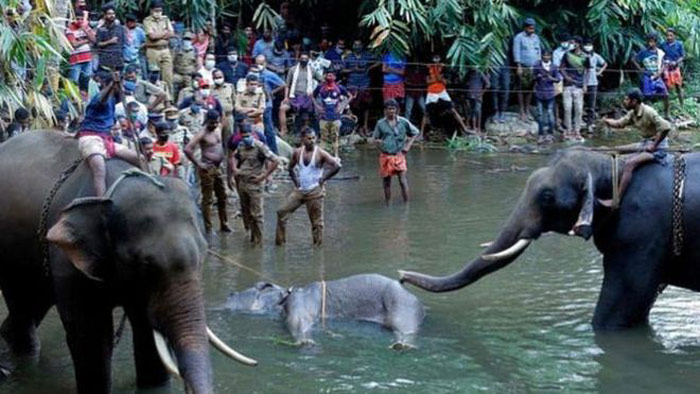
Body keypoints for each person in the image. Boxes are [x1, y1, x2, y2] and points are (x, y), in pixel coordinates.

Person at [599, 88, 673, 208]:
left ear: (634, 101)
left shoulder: (649, 112)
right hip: (645, 143)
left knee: (630, 164)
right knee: (616, 149)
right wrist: (607, 121)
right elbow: (620, 124)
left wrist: (654, 146)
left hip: (658, 148)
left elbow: (666, 127)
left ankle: (617, 200)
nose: (624, 101)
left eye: (627, 99)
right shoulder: (633, 113)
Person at [275, 126, 341, 246]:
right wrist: (296, 182)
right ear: (303, 139)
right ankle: (280, 244)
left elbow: (336, 166)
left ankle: (317, 249)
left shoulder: (320, 153)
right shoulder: (297, 152)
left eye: (314, 138)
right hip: (300, 190)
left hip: (314, 191)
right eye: (309, 138)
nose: (312, 141)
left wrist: (323, 178)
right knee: (281, 212)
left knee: (316, 223)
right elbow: (290, 168)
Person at [78, 70, 140, 196]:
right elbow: (102, 99)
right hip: (91, 138)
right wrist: (112, 85)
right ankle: (101, 201)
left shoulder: (112, 100)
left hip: (107, 140)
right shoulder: (99, 97)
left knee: (140, 158)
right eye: (121, 86)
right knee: (99, 168)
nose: (122, 88)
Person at [227, 124, 278, 245]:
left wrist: (264, 176)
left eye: (248, 136)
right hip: (242, 182)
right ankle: (249, 235)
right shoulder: (241, 145)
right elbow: (233, 157)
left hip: (255, 184)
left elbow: (275, 160)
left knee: (257, 215)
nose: (246, 139)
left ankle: (258, 241)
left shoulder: (260, 146)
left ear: (252, 134)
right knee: (245, 211)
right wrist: (234, 169)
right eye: (244, 136)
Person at [184, 109, 232, 233]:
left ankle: (224, 223)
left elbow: (225, 121)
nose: (214, 125)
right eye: (211, 123)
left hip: (218, 167)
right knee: (208, 199)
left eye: (216, 122)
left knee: (222, 196)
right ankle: (208, 227)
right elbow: (188, 149)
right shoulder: (202, 133)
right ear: (207, 121)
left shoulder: (219, 127)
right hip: (207, 168)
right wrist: (199, 163)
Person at [372, 99, 419, 204]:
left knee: (402, 181)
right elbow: (374, 139)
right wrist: (379, 145)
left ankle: (407, 204)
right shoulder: (380, 123)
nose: (391, 111)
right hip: (385, 155)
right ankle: (388, 203)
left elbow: (416, 132)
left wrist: (408, 146)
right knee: (386, 182)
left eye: (393, 109)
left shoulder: (403, 121)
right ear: (385, 110)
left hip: (399, 154)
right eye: (389, 109)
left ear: (397, 110)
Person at [253, 55, 286, 154]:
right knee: (256, 129)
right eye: (257, 63)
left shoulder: (269, 74)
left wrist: (272, 92)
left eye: (261, 63)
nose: (259, 66)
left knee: (268, 129)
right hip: (254, 106)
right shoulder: (252, 74)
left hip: (266, 105)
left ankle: (274, 152)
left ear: (265, 63)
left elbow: (283, 84)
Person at [343, 40, 377, 135]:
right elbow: (342, 70)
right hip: (352, 84)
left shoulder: (367, 55)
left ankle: (365, 126)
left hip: (364, 83)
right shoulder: (349, 57)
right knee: (352, 106)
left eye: (359, 44)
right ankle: (354, 126)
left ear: (362, 46)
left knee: (366, 106)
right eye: (355, 44)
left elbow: (379, 60)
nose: (357, 46)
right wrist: (352, 70)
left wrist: (370, 68)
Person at [632, 33, 670, 118]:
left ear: (656, 42)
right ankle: (643, 115)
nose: (650, 44)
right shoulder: (644, 52)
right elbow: (634, 60)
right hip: (647, 76)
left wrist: (659, 73)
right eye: (649, 42)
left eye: (652, 42)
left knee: (666, 95)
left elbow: (664, 64)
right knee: (647, 96)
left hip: (657, 76)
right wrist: (640, 69)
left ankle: (667, 115)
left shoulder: (660, 53)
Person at [313, 70, 350, 157]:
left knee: (335, 137)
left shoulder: (339, 87)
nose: (329, 77)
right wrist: (317, 107)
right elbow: (312, 96)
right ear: (325, 77)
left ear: (335, 77)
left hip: (335, 117)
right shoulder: (320, 87)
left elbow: (350, 96)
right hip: (323, 116)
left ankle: (336, 156)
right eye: (328, 75)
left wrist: (342, 106)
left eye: (331, 75)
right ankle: (323, 156)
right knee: (323, 138)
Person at [280, 51, 316, 135]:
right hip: (293, 97)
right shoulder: (292, 70)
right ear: (299, 59)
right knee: (282, 108)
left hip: (306, 97)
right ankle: (283, 130)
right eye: (302, 58)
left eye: (306, 59)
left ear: (308, 60)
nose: (304, 60)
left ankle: (306, 133)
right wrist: (286, 97)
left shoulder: (312, 70)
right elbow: (287, 85)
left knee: (308, 113)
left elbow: (321, 80)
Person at [512, 17, 542, 121]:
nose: (532, 30)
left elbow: (538, 51)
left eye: (533, 28)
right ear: (525, 27)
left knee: (530, 89)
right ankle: (521, 111)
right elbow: (516, 51)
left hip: (533, 66)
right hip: (523, 66)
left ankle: (527, 109)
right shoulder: (519, 37)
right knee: (520, 88)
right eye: (530, 28)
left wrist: (539, 65)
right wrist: (518, 66)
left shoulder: (536, 37)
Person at [143, 0, 174, 90]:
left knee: (168, 77)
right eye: (156, 10)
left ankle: (169, 100)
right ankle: (154, 99)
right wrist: (165, 33)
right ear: (151, 10)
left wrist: (159, 35)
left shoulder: (165, 19)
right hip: (153, 51)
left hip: (165, 50)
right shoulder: (147, 21)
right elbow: (152, 36)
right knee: (154, 76)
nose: (158, 12)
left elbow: (171, 33)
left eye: (160, 10)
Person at [560, 36, 586, 141]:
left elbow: (587, 71)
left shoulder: (585, 56)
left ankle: (577, 131)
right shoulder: (567, 55)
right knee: (567, 108)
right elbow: (561, 68)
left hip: (579, 86)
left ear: (578, 44)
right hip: (567, 85)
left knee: (579, 109)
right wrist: (566, 77)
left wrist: (585, 84)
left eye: (573, 42)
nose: (571, 44)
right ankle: (569, 130)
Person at [534, 50, 561, 143]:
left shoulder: (554, 67)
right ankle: (541, 134)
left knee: (550, 114)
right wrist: (538, 76)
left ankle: (550, 134)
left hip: (550, 93)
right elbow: (533, 77)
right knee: (540, 114)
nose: (546, 57)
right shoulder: (537, 65)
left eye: (548, 55)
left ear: (550, 57)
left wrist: (551, 78)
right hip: (539, 92)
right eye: (544, 55)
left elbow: (558, 79)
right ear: (542, 56)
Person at [582, 38, 607, 133]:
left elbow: (605, 64)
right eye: (586, 44)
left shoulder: (596, 56)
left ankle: (590, 124)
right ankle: (578, 122)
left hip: (593, 82)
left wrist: (599, 71)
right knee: (580, 104)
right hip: (582, 82)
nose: (588, 46)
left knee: (591, 105)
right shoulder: (581, 56)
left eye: (589, 44)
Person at [95, 3, 126, 72]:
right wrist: (109, 41)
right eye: (109, 14)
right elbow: (98, 44)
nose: (112, 15)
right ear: (105, 15)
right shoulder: (101, 29)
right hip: (105, 60)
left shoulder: (120, 28)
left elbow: (123, 44)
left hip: (118, 60)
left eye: (113, 13)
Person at [65, 14, 95, 85]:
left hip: (87, 59)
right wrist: (87, 40)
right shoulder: (70, 29)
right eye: (77, 19)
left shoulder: (86, 27)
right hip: (76, 60)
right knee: (74, 83)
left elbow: (94, 40)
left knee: (87, 82)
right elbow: (74, 44)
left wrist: (84, 29)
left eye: (82, 19)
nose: (80, 21)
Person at [660, 28, 685, 110]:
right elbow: (660, 56)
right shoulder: (663, 45)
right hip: (666, 68)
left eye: (671, 35)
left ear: (675, 36)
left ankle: (682, 106)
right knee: (666, 87)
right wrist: (664, 61)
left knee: (678, 86)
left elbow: (682, 56)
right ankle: (666, 107)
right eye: (667, 35)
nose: (669, 37)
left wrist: (676, 62)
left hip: (675, 67)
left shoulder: (679, 44)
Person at [212, 68, 236, 143]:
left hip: (228, 117)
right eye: (216, 77)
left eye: (220, 77)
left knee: (229, 140)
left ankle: (228, 154)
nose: (218, 79)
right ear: (213, 78)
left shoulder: (230, 87)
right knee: (217, 140)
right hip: (216, 119)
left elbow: (234, 101)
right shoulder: (210, 89)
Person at [172, 31, 198, 99]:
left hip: (189, 75)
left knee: (189, 90)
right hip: (178, 74)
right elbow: (172, 61)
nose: (187, 41)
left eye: (189, 39)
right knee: (173, 85)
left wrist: (193, 73)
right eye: (185, 39)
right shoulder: (177, 49)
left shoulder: (195, 50)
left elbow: (196, 63)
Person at [464, 68, 490, 134]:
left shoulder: (480, 73)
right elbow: (464, 83)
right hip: (469, 96)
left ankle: (478, 128)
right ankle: (472, 127)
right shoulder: (468, 73)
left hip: (477, 96)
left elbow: (487, 85)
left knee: (478, 111)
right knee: (470, 112)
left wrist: (481, 94)